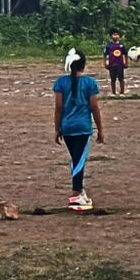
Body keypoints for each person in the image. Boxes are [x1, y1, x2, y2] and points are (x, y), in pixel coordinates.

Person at [53, 51, 104, 210]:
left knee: (75, 159)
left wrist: (57, 128)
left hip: (67, 127)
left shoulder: (61, 82)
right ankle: (76, 193)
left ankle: (79, 191)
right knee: (79, 160)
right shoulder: (90, 83)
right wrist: (100, 128)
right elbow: (94, 107)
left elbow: (58, 107)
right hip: (83, 127)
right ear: (84, 65)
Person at [103, 30, 127, 97]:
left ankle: (122, 92)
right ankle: (113, 92)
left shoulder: (121, 45)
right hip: (112, 64)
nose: (116, 36)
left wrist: (126, 62)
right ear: (111, 36)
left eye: (117, 34)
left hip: (120, 64)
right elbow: (105, 55)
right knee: (112, 79)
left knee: (121, 78)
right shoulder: (109, 46)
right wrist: (105, 63)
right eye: (114, 34)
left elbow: (125, 54)